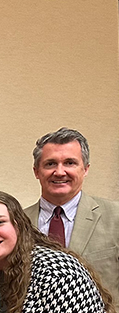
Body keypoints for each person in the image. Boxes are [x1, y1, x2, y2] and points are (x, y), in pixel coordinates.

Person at [24, 127, 119, 303]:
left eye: (70, 163)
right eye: (50, 163)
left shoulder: (115, 217)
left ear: (86, 169)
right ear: (36, 171)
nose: (59, 172)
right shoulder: (17, 223)